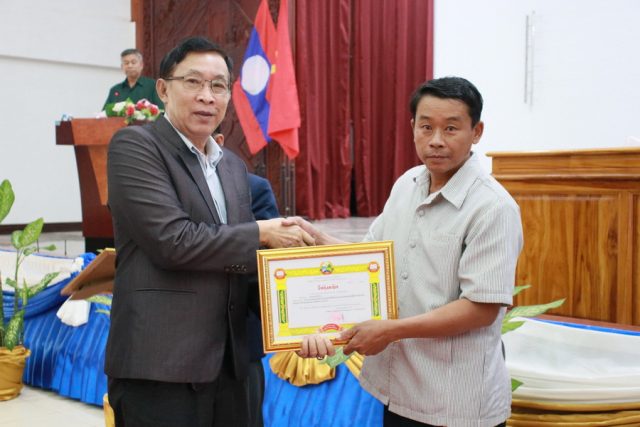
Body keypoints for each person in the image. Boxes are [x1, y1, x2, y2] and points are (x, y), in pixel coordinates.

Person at [105, 37, 313, 427]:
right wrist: (261, 232)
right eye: (193, 82)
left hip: (233, 365)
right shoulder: (135, 146)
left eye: (219, 85)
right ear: (163, 89)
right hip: (161, 365)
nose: (207, 96)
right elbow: (173, 242)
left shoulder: (232, 166)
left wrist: (299, 322)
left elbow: (242, 264)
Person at [294, 77, 524, 427]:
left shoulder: (493, 208)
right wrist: (317, 238)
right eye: (426, 126)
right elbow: (372, 257)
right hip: (399, 389)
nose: (436, 140)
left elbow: (481, 308)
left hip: (454, 401)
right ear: (413, 126)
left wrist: (391, 330)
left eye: (451, 128)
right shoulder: (407, 184)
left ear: (476, 132)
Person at [213, 127, 278, 427]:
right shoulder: (162, 188)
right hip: (177, 349)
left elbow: (265, 265)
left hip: (239, 344)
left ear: (218, 142)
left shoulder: (254, 188)